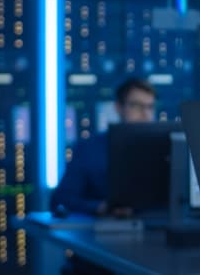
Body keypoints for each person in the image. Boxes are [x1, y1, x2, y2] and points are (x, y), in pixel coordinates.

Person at [50, 78, 156, 275]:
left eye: (150, 107)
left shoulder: (162, 150)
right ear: (118, 108)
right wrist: (101, 207)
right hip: (99, 253)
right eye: (137, 106)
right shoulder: (90, 148)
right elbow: (60, 199)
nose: (145, 114)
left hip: (152, 247)